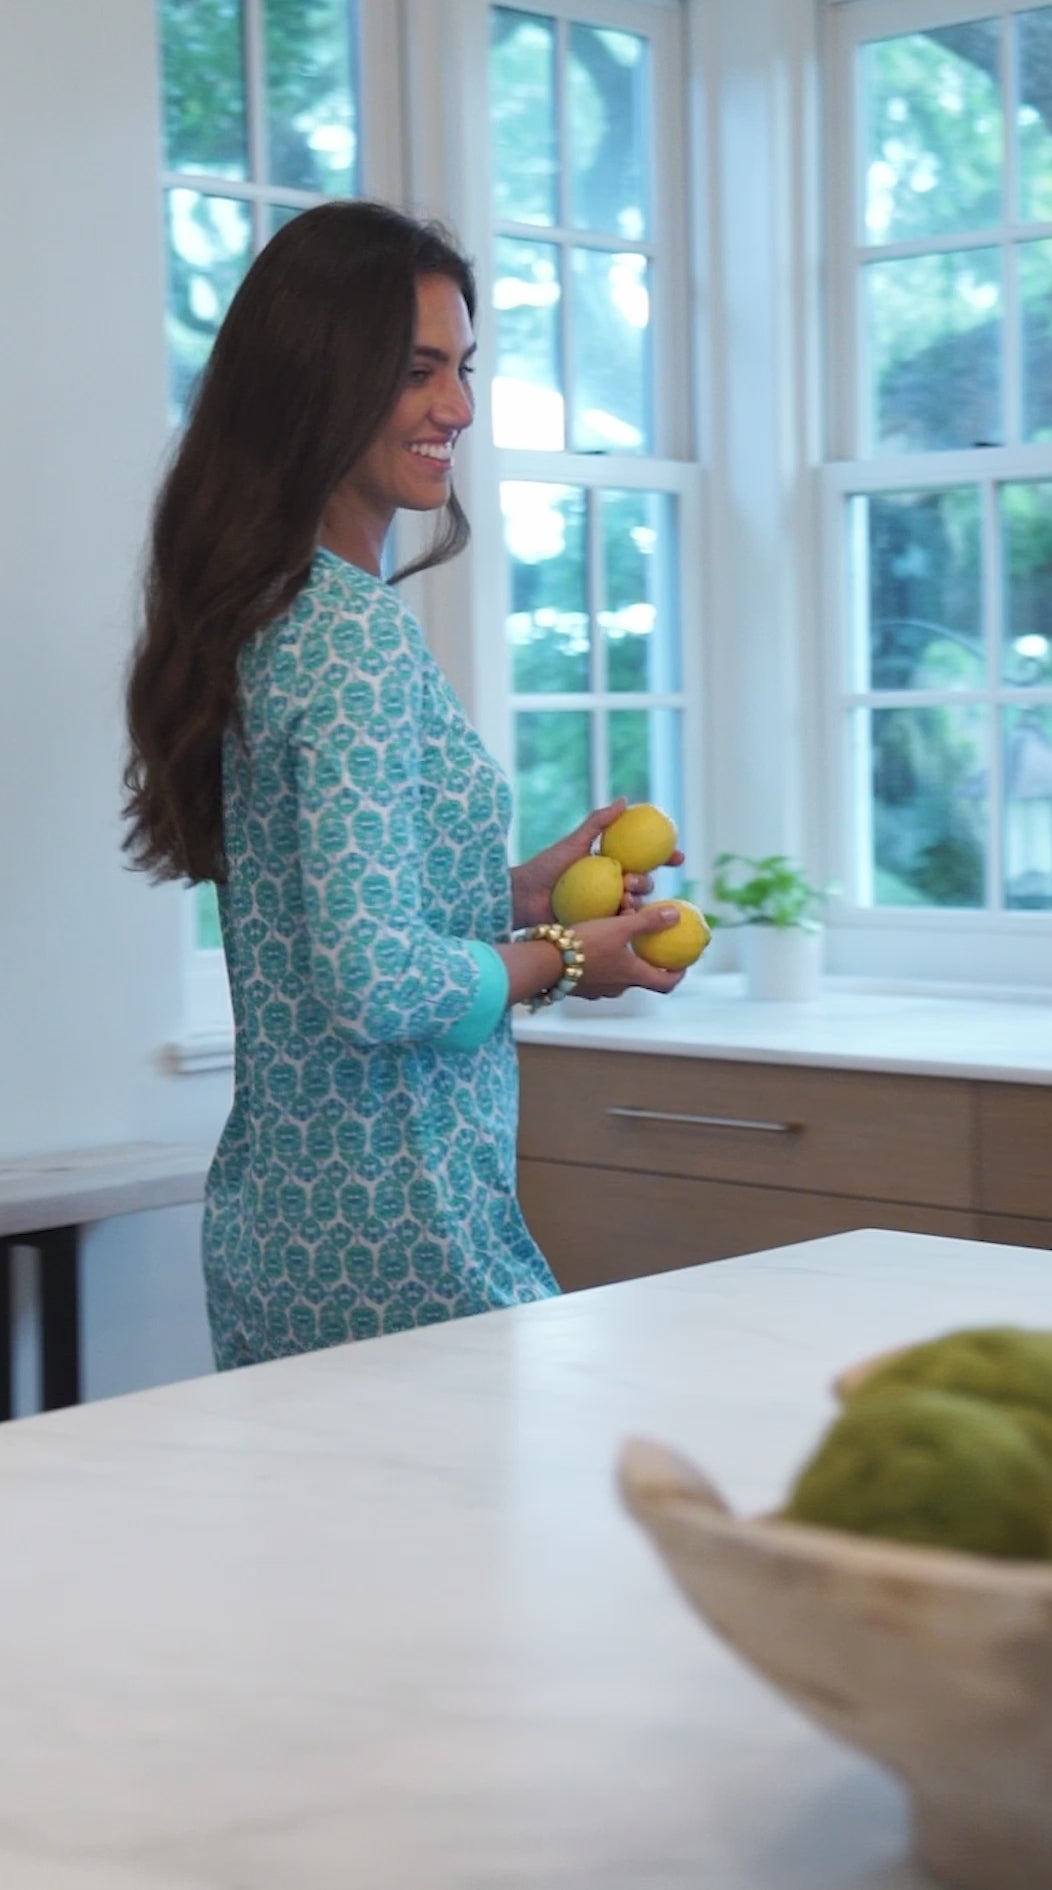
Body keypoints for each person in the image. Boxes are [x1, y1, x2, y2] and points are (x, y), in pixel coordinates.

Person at [122, 199, 684, 1369]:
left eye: (463, 370)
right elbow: (377, 985)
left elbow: (326, 907)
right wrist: (568, 957)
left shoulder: (269, 613)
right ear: (319, 384)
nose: (459, 409)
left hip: (286, 1227)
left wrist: (516, 894)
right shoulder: (354, 638)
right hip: (404, 1240)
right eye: (417, 371)